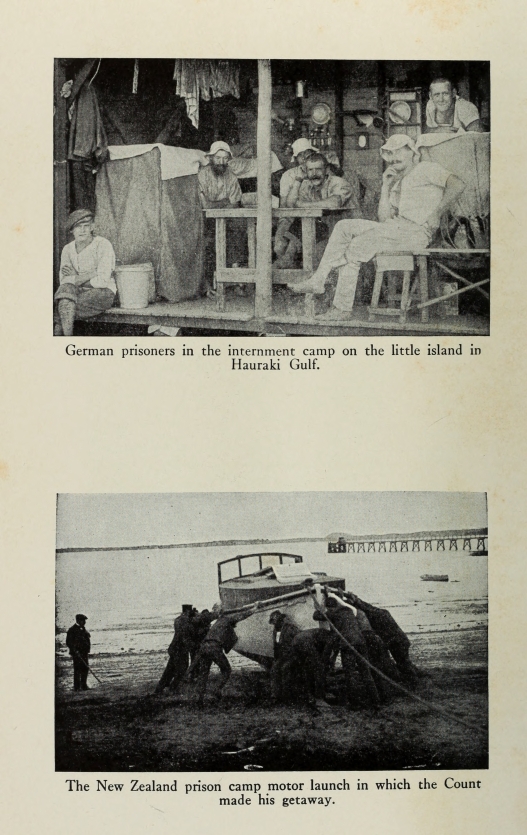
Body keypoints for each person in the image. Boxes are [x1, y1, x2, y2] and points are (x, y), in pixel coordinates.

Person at [288, 135, 466, 319]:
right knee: (343, 226)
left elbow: (458, 184)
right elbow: (384, 219)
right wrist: (386, 186)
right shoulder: (399, 181)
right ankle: (319, 280)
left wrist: (437, 212)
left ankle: (341, 309)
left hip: (417, 232)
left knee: (357, 245)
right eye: (390, 153)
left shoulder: (426, 168)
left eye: (399, 152)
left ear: (412, 152)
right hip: (396, 228)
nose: (394, 158)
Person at [54, 209, 116, 336]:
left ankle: (63, 342)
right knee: (65, 294)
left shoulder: (103, 245)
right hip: (76, 292)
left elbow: (103, 281)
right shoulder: (67, 249)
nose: (82, 230)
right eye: (78, 227)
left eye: (86, 226)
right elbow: (64, 281)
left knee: (63, 307)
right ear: (71, 230)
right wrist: (92, 273)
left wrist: (76, 278)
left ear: (92, 227)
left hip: (103, 292)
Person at [189, 602, 259, 707]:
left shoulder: (217, 622)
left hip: (203, 647)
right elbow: (241, 616)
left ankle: (199, 699)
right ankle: (216, 690)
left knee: (203, 674)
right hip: (214, 648)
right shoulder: (227, 619)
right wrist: (255, 608)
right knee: (227, 670)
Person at [343, 590, 423, 683]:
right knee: (404, 662)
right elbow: (367, 607)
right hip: (400, 640)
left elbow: (366, 608)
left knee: (403, 663)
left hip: (397, 642)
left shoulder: (376, 617)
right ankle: (414, 678)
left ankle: (413, 682)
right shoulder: (381, 613)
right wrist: (356, 600)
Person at [320, 598, 382, 709]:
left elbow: (316, 616)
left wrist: (320, 607)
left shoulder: (332, 613)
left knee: (350, 674)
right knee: (366, 672)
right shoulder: (348, 611)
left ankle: (355, 703)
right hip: (361, 642)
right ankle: (376, 701)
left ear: (330, 608)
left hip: (348, 644)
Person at [154, 606, 199, 694]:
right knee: (182, 669)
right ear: (187, 611)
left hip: (174, 647)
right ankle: (173, 688)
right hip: (180, 648)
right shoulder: (186, 620)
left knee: (170, 669)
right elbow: (187, 635)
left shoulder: (178, 619)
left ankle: (159, 689)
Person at [197, 141, 242, 209]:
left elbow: (235, 204)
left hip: (227, 215)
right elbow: (205, 205)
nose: (221, 162)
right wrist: (224, 202)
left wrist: (214, 204)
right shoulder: (202, 174)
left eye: (225, 158)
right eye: (218, 158)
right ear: (211, 158)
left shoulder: (232, 177)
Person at [65, 614, 91, 692]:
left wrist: (87, 649)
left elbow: (86, 640)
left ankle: (84, 685)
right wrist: (75, 651)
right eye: (83, 620)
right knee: (77, 669)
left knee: (85, 668)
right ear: (78, 621)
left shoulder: (83, 629)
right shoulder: (72, 630)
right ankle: (76, 687)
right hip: (77, 654)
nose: (84, 622)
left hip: (84, 652)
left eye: (84, 620)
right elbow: (69, 642)